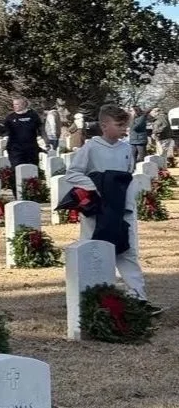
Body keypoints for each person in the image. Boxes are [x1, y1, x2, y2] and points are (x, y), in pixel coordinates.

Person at [68, 103, 145, 297]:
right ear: (104, 125)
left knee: (127, 249)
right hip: (98, 208)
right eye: (118, 125)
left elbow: (128, 173)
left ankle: (138, 294)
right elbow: (73, 173)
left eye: (124, 125)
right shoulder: (91, 148)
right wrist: (97, 186)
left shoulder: (126, 148)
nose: (123, 129)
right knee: (93, 247)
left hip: (122, 207)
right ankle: (94, 294)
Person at [0, 95, 43, 172]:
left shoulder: (33, 115)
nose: (14, 106)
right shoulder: (10, 118)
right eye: (14, 104)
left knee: (32, 170)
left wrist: (44, 142)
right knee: (17, 170)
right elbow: (4, 131)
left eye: (17, 104)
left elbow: (40, 129)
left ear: (23, 104)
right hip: (15, 150)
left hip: (31, 149)